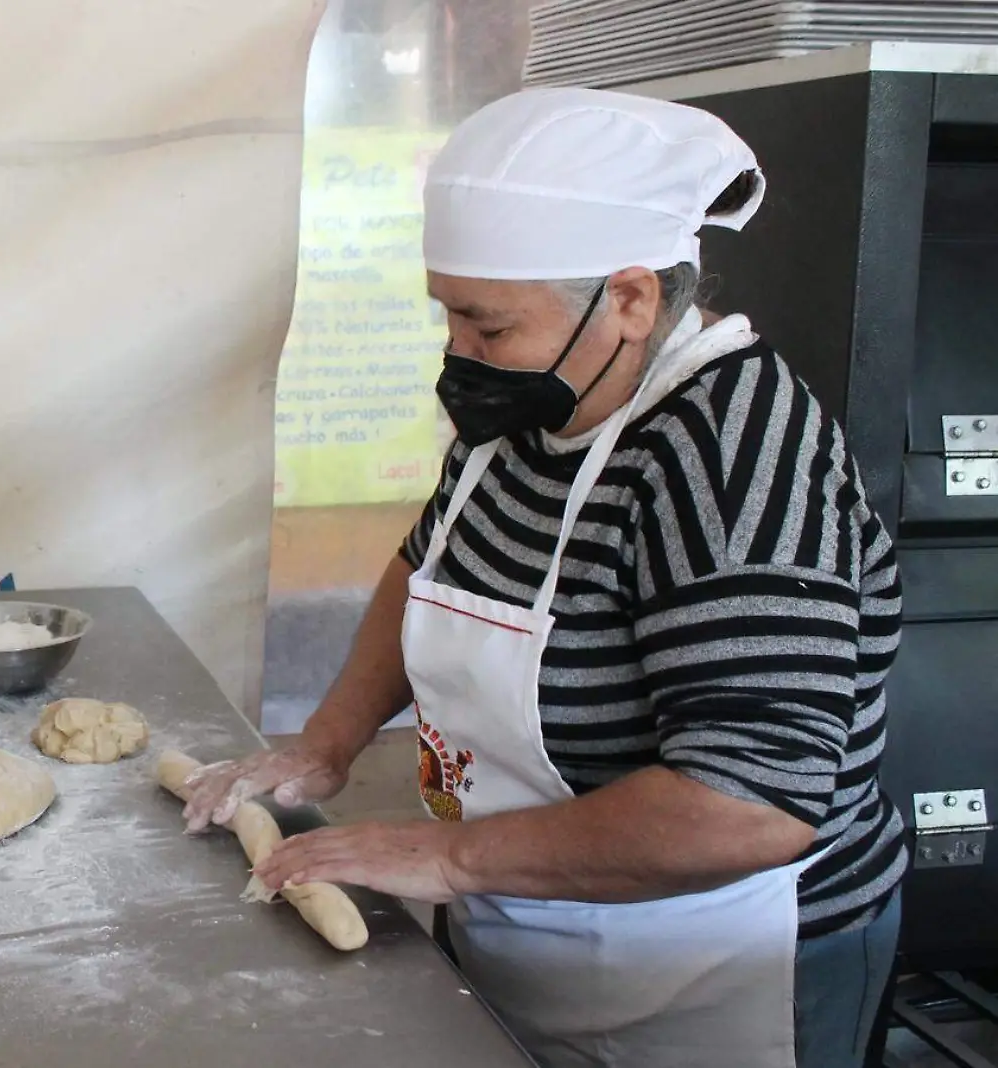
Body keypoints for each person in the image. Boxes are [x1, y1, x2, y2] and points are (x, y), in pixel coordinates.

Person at [186, 88, 905, 1068]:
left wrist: (447, 854)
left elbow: (747, 803)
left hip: (721, 968)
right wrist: (326, 744)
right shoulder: (533, 411)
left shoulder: (732, 460)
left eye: (488, 328)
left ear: (630, 300)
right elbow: (429, 566)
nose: (459, 356)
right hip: (527, 914)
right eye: (448, 316)